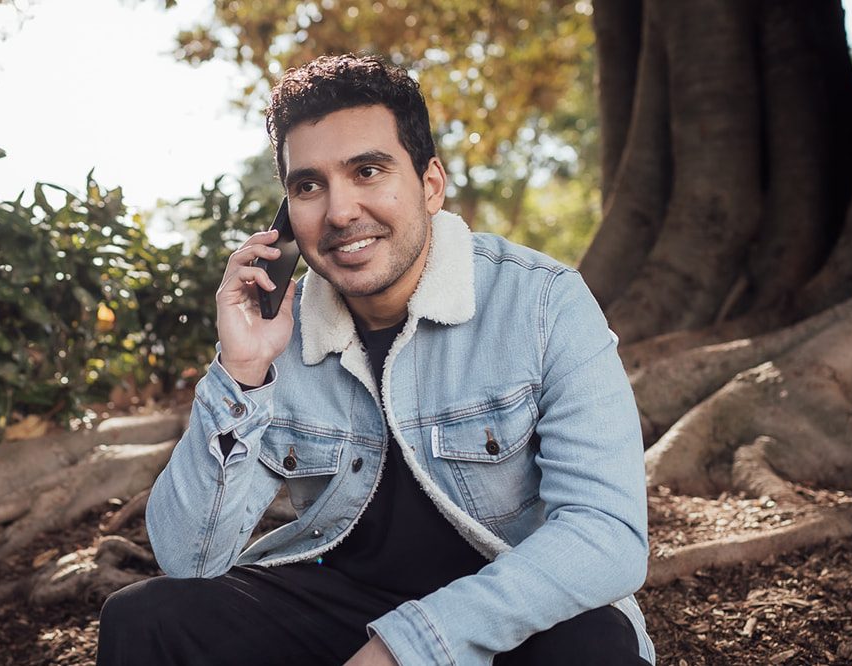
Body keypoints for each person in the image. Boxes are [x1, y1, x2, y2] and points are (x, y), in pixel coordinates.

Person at [97, 53, 655, 666]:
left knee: (591, 645)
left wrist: (407, 646)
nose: (339, 213)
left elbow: (607, 534)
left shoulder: (543, 302)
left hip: (505, 609)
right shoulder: (278, 331)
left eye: (367, 171)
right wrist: (241, 372)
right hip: (342, 610)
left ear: (430, 185)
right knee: (145, 618)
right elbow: (190, 558)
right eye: (308, 186)